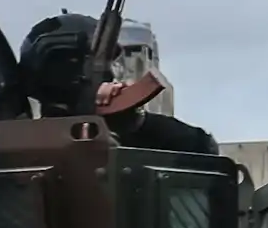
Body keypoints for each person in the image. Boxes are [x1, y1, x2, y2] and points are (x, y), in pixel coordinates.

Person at [17, 11, 217, 154]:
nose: (111, 73)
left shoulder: (20, 141)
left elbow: (203, 149)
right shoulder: (29, 146)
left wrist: (134, 122)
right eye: (100, 63)